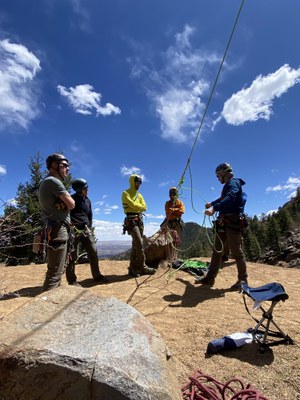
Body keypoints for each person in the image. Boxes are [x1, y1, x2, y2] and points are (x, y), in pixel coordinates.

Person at [197, 163, 248, 290]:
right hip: (225, 221)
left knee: (236, 252)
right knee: (217, 250)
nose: (217, 178)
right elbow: (223, 198)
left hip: (232, 221)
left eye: (218, 176)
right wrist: (212, 203)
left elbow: (230, 197)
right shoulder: (230, 184)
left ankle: (243, 280)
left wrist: (215, 208)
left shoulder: (233, 183)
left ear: (223, 173)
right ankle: (210, 277)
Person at [38, 153, 75, 291]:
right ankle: (47, 308)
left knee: (57, 271)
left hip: (55, 228)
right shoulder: (53, 181)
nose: (67, 169)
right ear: (54, 165)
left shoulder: (47, 182)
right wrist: (67, 202)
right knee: (55, 273)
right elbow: (71, 204)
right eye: (64, 165)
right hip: (58, 229)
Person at [66, 178, 108, 286]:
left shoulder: (87, 200)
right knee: (72, 255)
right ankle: (72, 280)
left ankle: (97, 276)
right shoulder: (71, 199)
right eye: (86, 188)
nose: (88, 189)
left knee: (93, 252)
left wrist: (89, 226)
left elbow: (90, 215)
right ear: (80, 189)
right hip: (74, 230)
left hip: (85, 228)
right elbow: (66, 213)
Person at [122, 174, 156, 277]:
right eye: (137, 182)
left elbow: (144, 207)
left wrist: (137, 207)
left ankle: (132, 268)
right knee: (139, 243)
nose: (139, 185)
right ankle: (142, 267)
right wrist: (138, 207)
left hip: (139, 221)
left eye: (140, 183)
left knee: (135, 245)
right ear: (133, 182)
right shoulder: (125, 193)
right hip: (131, 221)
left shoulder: (140, 195)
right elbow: (132, 205)